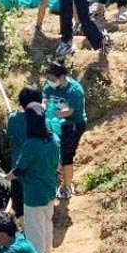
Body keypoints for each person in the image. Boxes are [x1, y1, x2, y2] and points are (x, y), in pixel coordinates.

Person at [7, 103, 60, 253]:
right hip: (50, 191)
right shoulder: (54, 140)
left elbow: (20, 170)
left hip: (33, 196)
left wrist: (5, 177)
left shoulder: (30, 145)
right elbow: (56, 166)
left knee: (34, 233)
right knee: (46, 226)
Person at [43, 61, 87, 199]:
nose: (50, 82)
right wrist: (43, 108)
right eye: (48, 79)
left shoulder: (75, 90)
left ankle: (67, 187)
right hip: (55, 124)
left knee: (67, 156)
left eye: (52, 79)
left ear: (62, 77)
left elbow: (69, 111)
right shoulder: (50, 85)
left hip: (72, 125)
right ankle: (57, 175)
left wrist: (53, 113)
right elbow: (44, 99)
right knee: (52, 151)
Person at [6, 85, 44, 218]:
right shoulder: (45, 120)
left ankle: (23, 224)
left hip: (18, 171)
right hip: (40, 172)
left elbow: (9, 133)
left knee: (20, 208)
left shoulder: (13, 119)